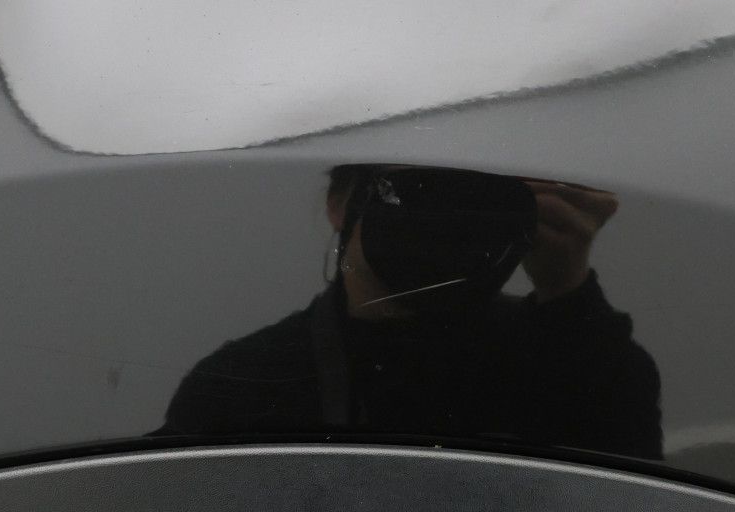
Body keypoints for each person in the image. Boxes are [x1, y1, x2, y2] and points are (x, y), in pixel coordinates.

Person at [159, 164, 663, 459]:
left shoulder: (567, 360)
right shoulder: (242, 385)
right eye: (422, 194)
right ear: (341, 204)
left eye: (476, 200)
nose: (446, 226)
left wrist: (568, 291)